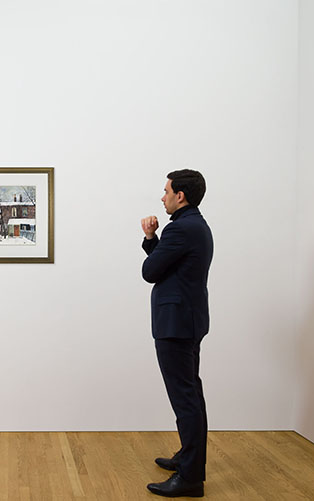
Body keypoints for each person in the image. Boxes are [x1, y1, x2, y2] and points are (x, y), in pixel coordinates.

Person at [140, 169, 213, 498]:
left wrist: (151, 239)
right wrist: (156, 244)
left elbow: (151, 271)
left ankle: (190, 477)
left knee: (185, 400)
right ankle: (189, 458)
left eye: (166, 190)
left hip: (176, 324)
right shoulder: (197, 225)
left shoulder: (180, 229)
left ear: (180, 195)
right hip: (189, 320)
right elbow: (168, 267)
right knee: (191, 395)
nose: (162, 196)